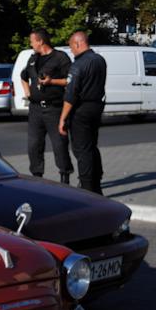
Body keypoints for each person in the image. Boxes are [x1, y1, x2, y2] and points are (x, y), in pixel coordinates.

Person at [19, 28, 74, 184]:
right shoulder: (33, 59)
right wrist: (27, 92)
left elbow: (70, 80)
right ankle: (37, 178)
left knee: (59, 144)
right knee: (34, 145)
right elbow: (23, 76)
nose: (31, 44)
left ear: (40, 41)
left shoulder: (60, 58)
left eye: (32, 41)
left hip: (54, 108)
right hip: (35, 109)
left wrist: (52, 81)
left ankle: (65, 176)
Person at [58, 31, 107, 194]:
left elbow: (71, 94)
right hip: (96, 107)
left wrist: (62, 118)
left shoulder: (78, 64)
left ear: (78, 44)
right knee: (92, 146)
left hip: (81, 110)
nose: (71, 51)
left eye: (71, 47)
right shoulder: (100, 60)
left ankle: (87, 187)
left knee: (81, 150)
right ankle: (96, 183)